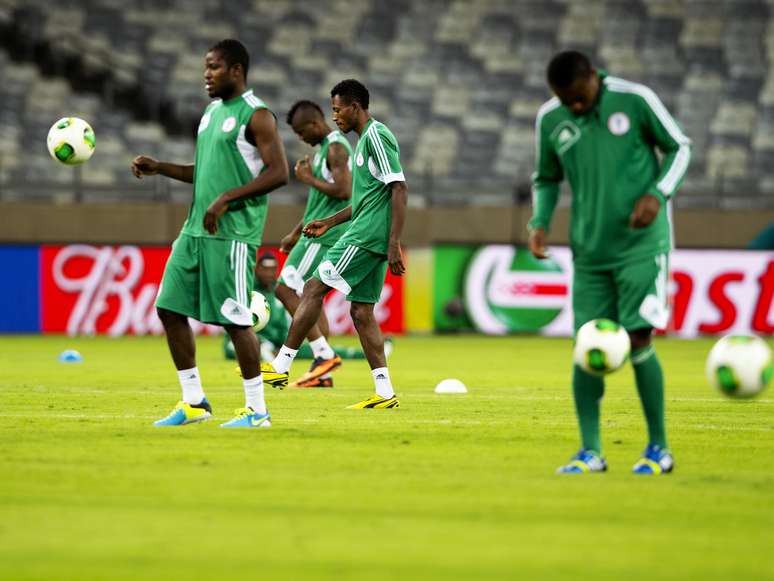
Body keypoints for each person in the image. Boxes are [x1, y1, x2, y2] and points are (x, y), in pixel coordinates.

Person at [528, 51, 691, 474]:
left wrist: (658, 194)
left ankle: (659, 448)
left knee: (639, 337)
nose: (575, 107)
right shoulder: (550, 119)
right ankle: (590, 451)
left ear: (593, 78)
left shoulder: (635, 100)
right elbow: (546, 177)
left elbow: (680, 148)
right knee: (588, 348)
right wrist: (540, 220)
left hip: (641, 245)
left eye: (580, 98)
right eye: (567, 102)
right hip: (589, 251)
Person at [131, 39, 289, 429]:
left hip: (232, 234)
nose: (206, 74)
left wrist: (227, 199)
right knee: (168, 307)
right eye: (206, 67)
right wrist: (160, 167)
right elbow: (203, 172)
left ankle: (257, 411)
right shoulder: (210, 113)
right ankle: (194, 401)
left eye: (214, 67)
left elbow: (278, 173)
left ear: (236, 70)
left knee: (236, 320)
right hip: (194, 231)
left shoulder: (258, 116)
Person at [265, 79, 407, 409]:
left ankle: (281, 366)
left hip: (367, 236)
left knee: (313, 287)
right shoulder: (361, 146)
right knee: (361, 312)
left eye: (338, 109)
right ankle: (385, 392)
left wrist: (393, 242)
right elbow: (365, 200)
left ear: (355, 107)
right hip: (367, 232)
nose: (335, 116)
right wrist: (328, 221)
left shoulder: (376, 136)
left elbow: (398, 188)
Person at [277, 100, 353, 388]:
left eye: (300, 132)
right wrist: (295, 232)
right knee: (312, 296)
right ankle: (324, 374)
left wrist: (307, 179)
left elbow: (345, 190)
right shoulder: (323, 151)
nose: (300, 138)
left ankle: (324, 354)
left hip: (325, 236)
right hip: (314, 234)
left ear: (314, 124)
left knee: (285, 287)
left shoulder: (335, 148)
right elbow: (320, 203)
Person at [223, 253, 371, 367]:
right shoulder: (247, 290)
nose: (269, 273)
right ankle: (266, 353)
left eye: (272, 269)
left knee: (304, 349)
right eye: (265, 269)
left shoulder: (279, 293)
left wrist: (282, 345)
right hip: (251, 340)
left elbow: (282, 330)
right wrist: (262, 342)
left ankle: (361, 354)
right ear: (256, 269)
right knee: (234, 348)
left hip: (276, 345)